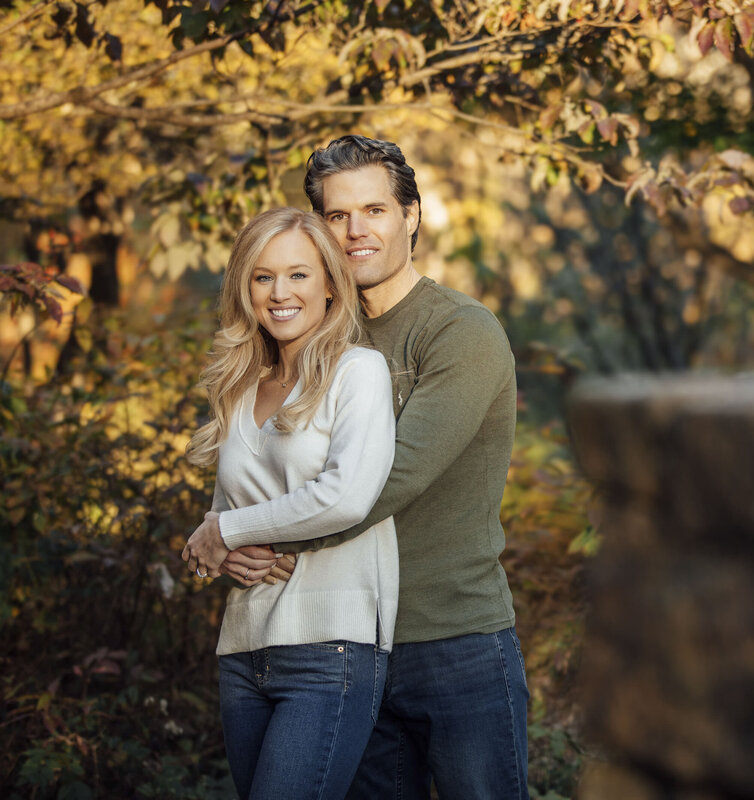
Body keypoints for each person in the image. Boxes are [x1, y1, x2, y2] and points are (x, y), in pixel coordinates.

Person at [209, 135, 527, 799]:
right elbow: (268, 465)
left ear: (411, 215)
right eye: (336, 215)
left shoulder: (459, 331)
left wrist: (252, 535)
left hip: (452, 633)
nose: (357, 231)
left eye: (376, 210)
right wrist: (229, 531)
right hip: (342, 640)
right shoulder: (317, 337)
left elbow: (392, 476)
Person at [180, 207, 399, 800]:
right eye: (262, 277)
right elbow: (221, 518)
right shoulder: (238, 386)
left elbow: (346, 496)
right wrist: (217, 554)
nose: (280, 294)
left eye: (298, 275)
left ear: (331, 282)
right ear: (244, 288)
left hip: (331, 646)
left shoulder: (359, 372)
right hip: (245, 646)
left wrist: (224, 529)